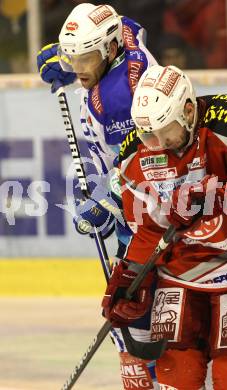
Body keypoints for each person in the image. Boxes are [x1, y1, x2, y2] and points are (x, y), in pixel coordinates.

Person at [103, 64, 227, 389]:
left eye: (164, 130)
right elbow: (148, 228)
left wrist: (216, 197)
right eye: (148, 134)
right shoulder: (135, 152)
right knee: (176, 376)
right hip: (180, 272)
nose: (158, 143)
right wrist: (131, 275)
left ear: (188, 111)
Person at [37, 3, 159, 389]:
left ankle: (152, 375)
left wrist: (110, 198)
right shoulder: (121, 37)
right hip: (140, 195)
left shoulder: (119, 97)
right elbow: (129, 25)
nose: (77, 68)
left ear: (108, 50)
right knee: (132, 304)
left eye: (84, 58)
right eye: (72, 57)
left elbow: (144, 162)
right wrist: (68, 56)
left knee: (134, 309)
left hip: (151, 208)